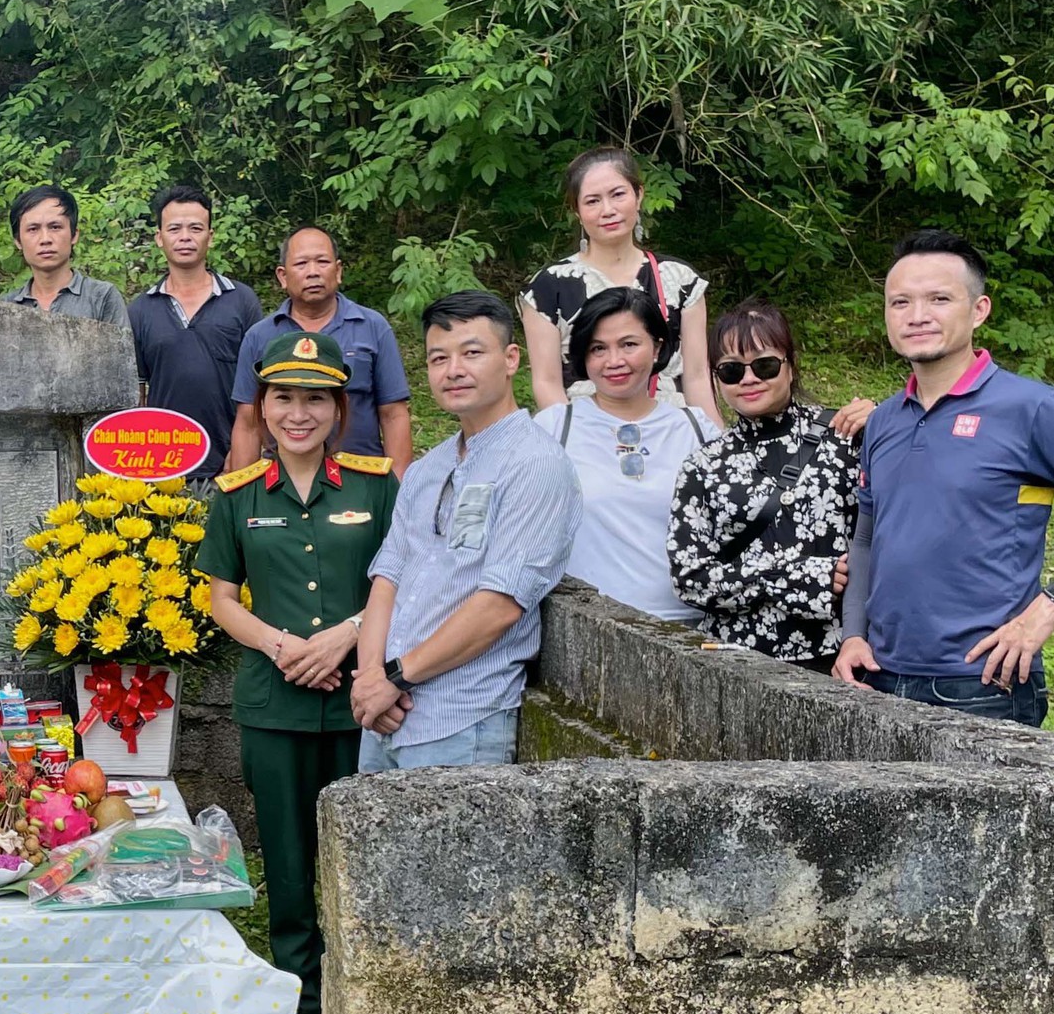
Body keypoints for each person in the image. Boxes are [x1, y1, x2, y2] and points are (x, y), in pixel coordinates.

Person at [196, 331, 398, 1014]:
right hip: (275, 705)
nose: (299, 412)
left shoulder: (379, 488)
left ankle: (369, 1013)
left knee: (363, 869)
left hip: (362, 705)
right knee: (287, 872)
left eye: (315, 397)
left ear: (338, 408)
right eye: (284, 397)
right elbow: (218, 598)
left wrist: (344, 638)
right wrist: (285, 646)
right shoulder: (239, 493)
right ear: (266, 406)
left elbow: (398, 578)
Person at [833, 230, 1054, 725]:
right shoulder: (882, 421)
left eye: (939, 298)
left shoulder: (1033, 409)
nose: (917, 315)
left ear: (979, 310)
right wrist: (853, 633)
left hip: (984, 684)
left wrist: (1050, 604)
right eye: (900, 302)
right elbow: (866, 539)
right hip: (879, 676)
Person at [353, 290, 581, 770]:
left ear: (510, 358)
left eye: (472, 352)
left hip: (461, 720)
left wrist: (394, 678)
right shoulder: (426, 469)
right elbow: (388, 576)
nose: (453, 369)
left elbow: (499, 605)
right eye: (439, 358)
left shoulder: (535, 465)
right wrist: (369, 676)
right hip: (383, 717)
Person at [668, 301, 861, 669]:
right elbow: (689, 578)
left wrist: (885, 421)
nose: (748, 379)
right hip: (738, 659)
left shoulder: (845, 437)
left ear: (790, 366)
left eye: (765, 365)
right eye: (730, 371)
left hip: (840, 654)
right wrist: (782, 574)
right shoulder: (705, 465)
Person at [532, 286, 717, 623]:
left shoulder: (696, 429)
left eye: (629, 344)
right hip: (588, 627)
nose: (614, 361)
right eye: (598, 348)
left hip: (691, 628)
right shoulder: (554, 428)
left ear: (657, 346)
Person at [519, 147, 717, 418]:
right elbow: (546, 383)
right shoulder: (548, 287)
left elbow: (696, 378)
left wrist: (716, 445)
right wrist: (576, 442)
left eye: (618, 194)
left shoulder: (680, 279)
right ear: (577, 211)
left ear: (639, 195)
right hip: (584, 432)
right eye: (592, 201)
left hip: (671, 431)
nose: (607, 210)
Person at [227, 226, 412, 475]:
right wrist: (242, 495)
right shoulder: (260, 336)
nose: (313, 272)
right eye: (301, 264)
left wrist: (397, 490)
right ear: (282, 276)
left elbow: (393, 415)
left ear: (338, 271)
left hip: (361, 480)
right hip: (281, 484)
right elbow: (249, 423)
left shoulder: (372, 327)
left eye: (322, 262)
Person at [126, 183, 263, 478]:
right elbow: (137, 396)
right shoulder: (140, 310)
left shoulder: (241, 301)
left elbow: (259, 390)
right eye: (174, 229)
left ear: (210, 237)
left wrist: (243, 451)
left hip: (231, 463)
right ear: (159, 238)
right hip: (162, 467)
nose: (185, 237)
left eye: (196, 228)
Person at [0, 184, 129, 326]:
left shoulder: (101, 297)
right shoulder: (6, 306)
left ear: (74, 235)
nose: (45, 239)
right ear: (18, 241)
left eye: (55, 227)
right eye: (33, 229)